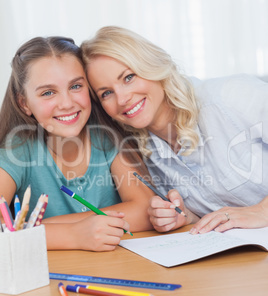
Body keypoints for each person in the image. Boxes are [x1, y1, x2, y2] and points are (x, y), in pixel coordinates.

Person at [81, 26, 268, 235]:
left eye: (128, 77)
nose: (122, 99)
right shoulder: (142, 152)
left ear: (152, 65)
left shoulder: (229, 96)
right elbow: (218, 212)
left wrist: (263, 211)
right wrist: (184, 216)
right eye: (106, 93)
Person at [0, 36, 154, 251]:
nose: (67, 103)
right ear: (24, 103)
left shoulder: (107, 135)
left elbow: (145, 209)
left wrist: (32, 230)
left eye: (75, 86)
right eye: (48, 92)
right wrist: (74, 235)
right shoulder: (18, 148)